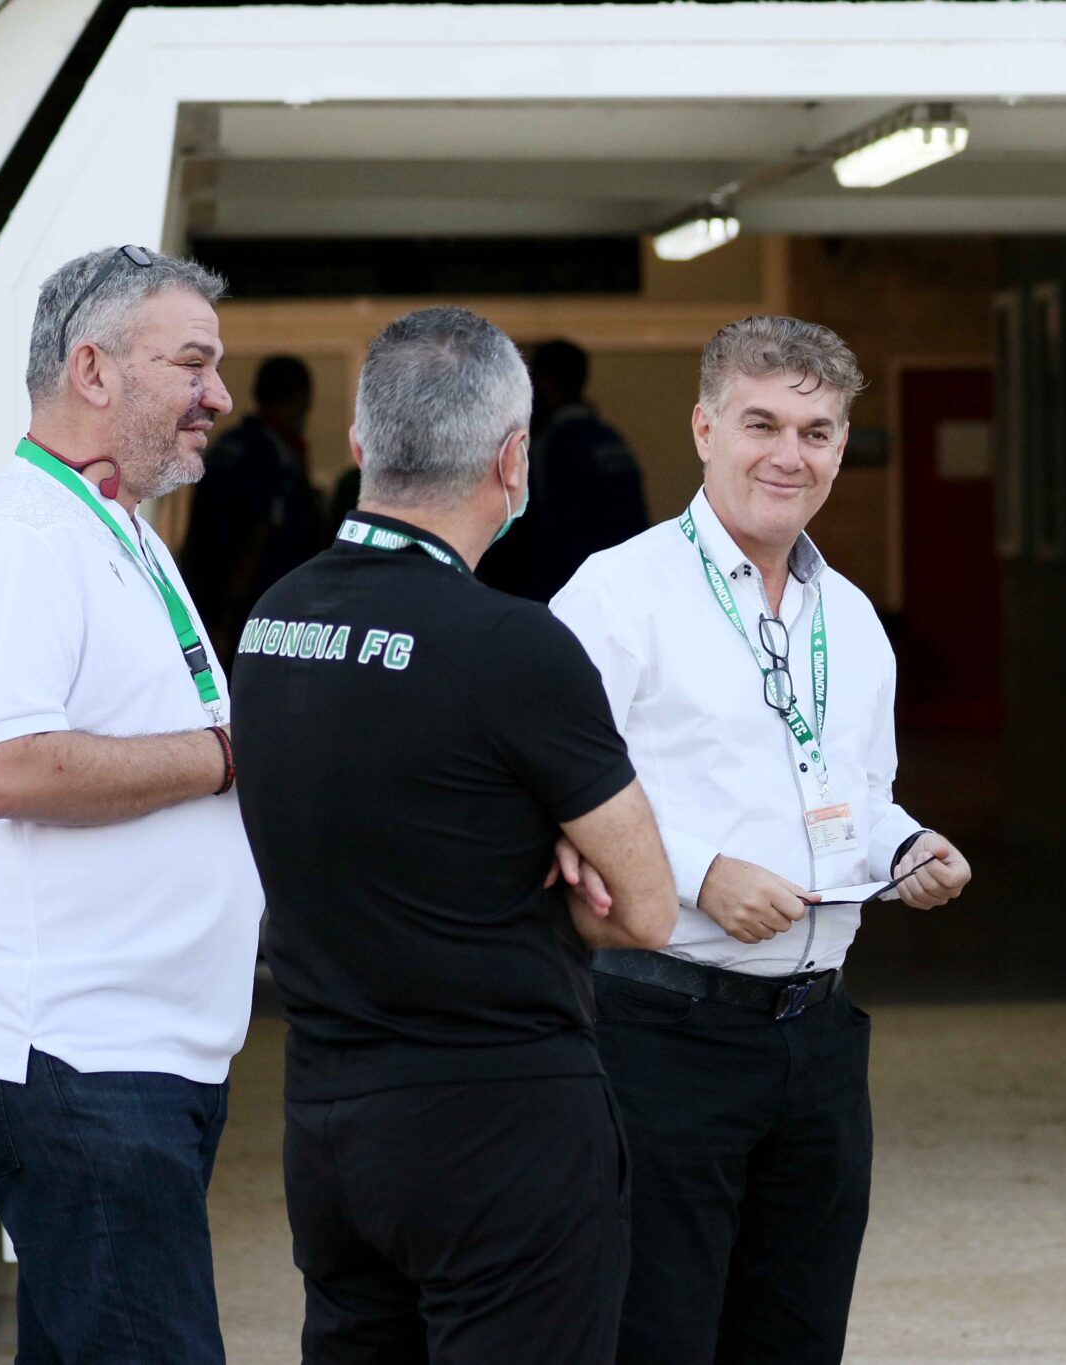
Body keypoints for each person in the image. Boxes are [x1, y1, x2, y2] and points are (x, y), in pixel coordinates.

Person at [230, 305, 676, 1365]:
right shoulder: (514, 645)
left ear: (360, 444)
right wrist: (542, 855)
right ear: (513, 461)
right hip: (496, 1125)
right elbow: (649, 909)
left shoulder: (273, 621)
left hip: (329, 1121)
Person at [551, 314, 972, 1363]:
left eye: (817, 432)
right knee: (656, 1335)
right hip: (660, 1033)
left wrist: (909, 847)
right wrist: (697, 874)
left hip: (818, 1039)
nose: (790, 455)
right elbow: (547, 788)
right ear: (704, 429)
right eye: (762, 424)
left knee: (797, 1336)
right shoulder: (617, 593)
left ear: (841, 447)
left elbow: (860, 798)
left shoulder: (853, 619)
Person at [0, 244, 258, 1361]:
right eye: (193, 364)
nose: (218, 395)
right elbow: (5, 767)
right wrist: (221, 759)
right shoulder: (24, 541)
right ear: (94, 370)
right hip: (81, 1059)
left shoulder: (112, 527)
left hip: (135, 1059)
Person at [182, 353, 326, 669]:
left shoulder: (224, 445)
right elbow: (257, 539)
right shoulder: (275, 454)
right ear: (300, 397)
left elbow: (195, 536)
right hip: (255, 615)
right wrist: (226, 622)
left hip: (205, 605)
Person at [479, 338, 649, 601]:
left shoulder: (551, 446)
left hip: (568, 594)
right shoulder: (611, 440)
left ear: (546, 382)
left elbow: (534, 531)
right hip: (622, 587)